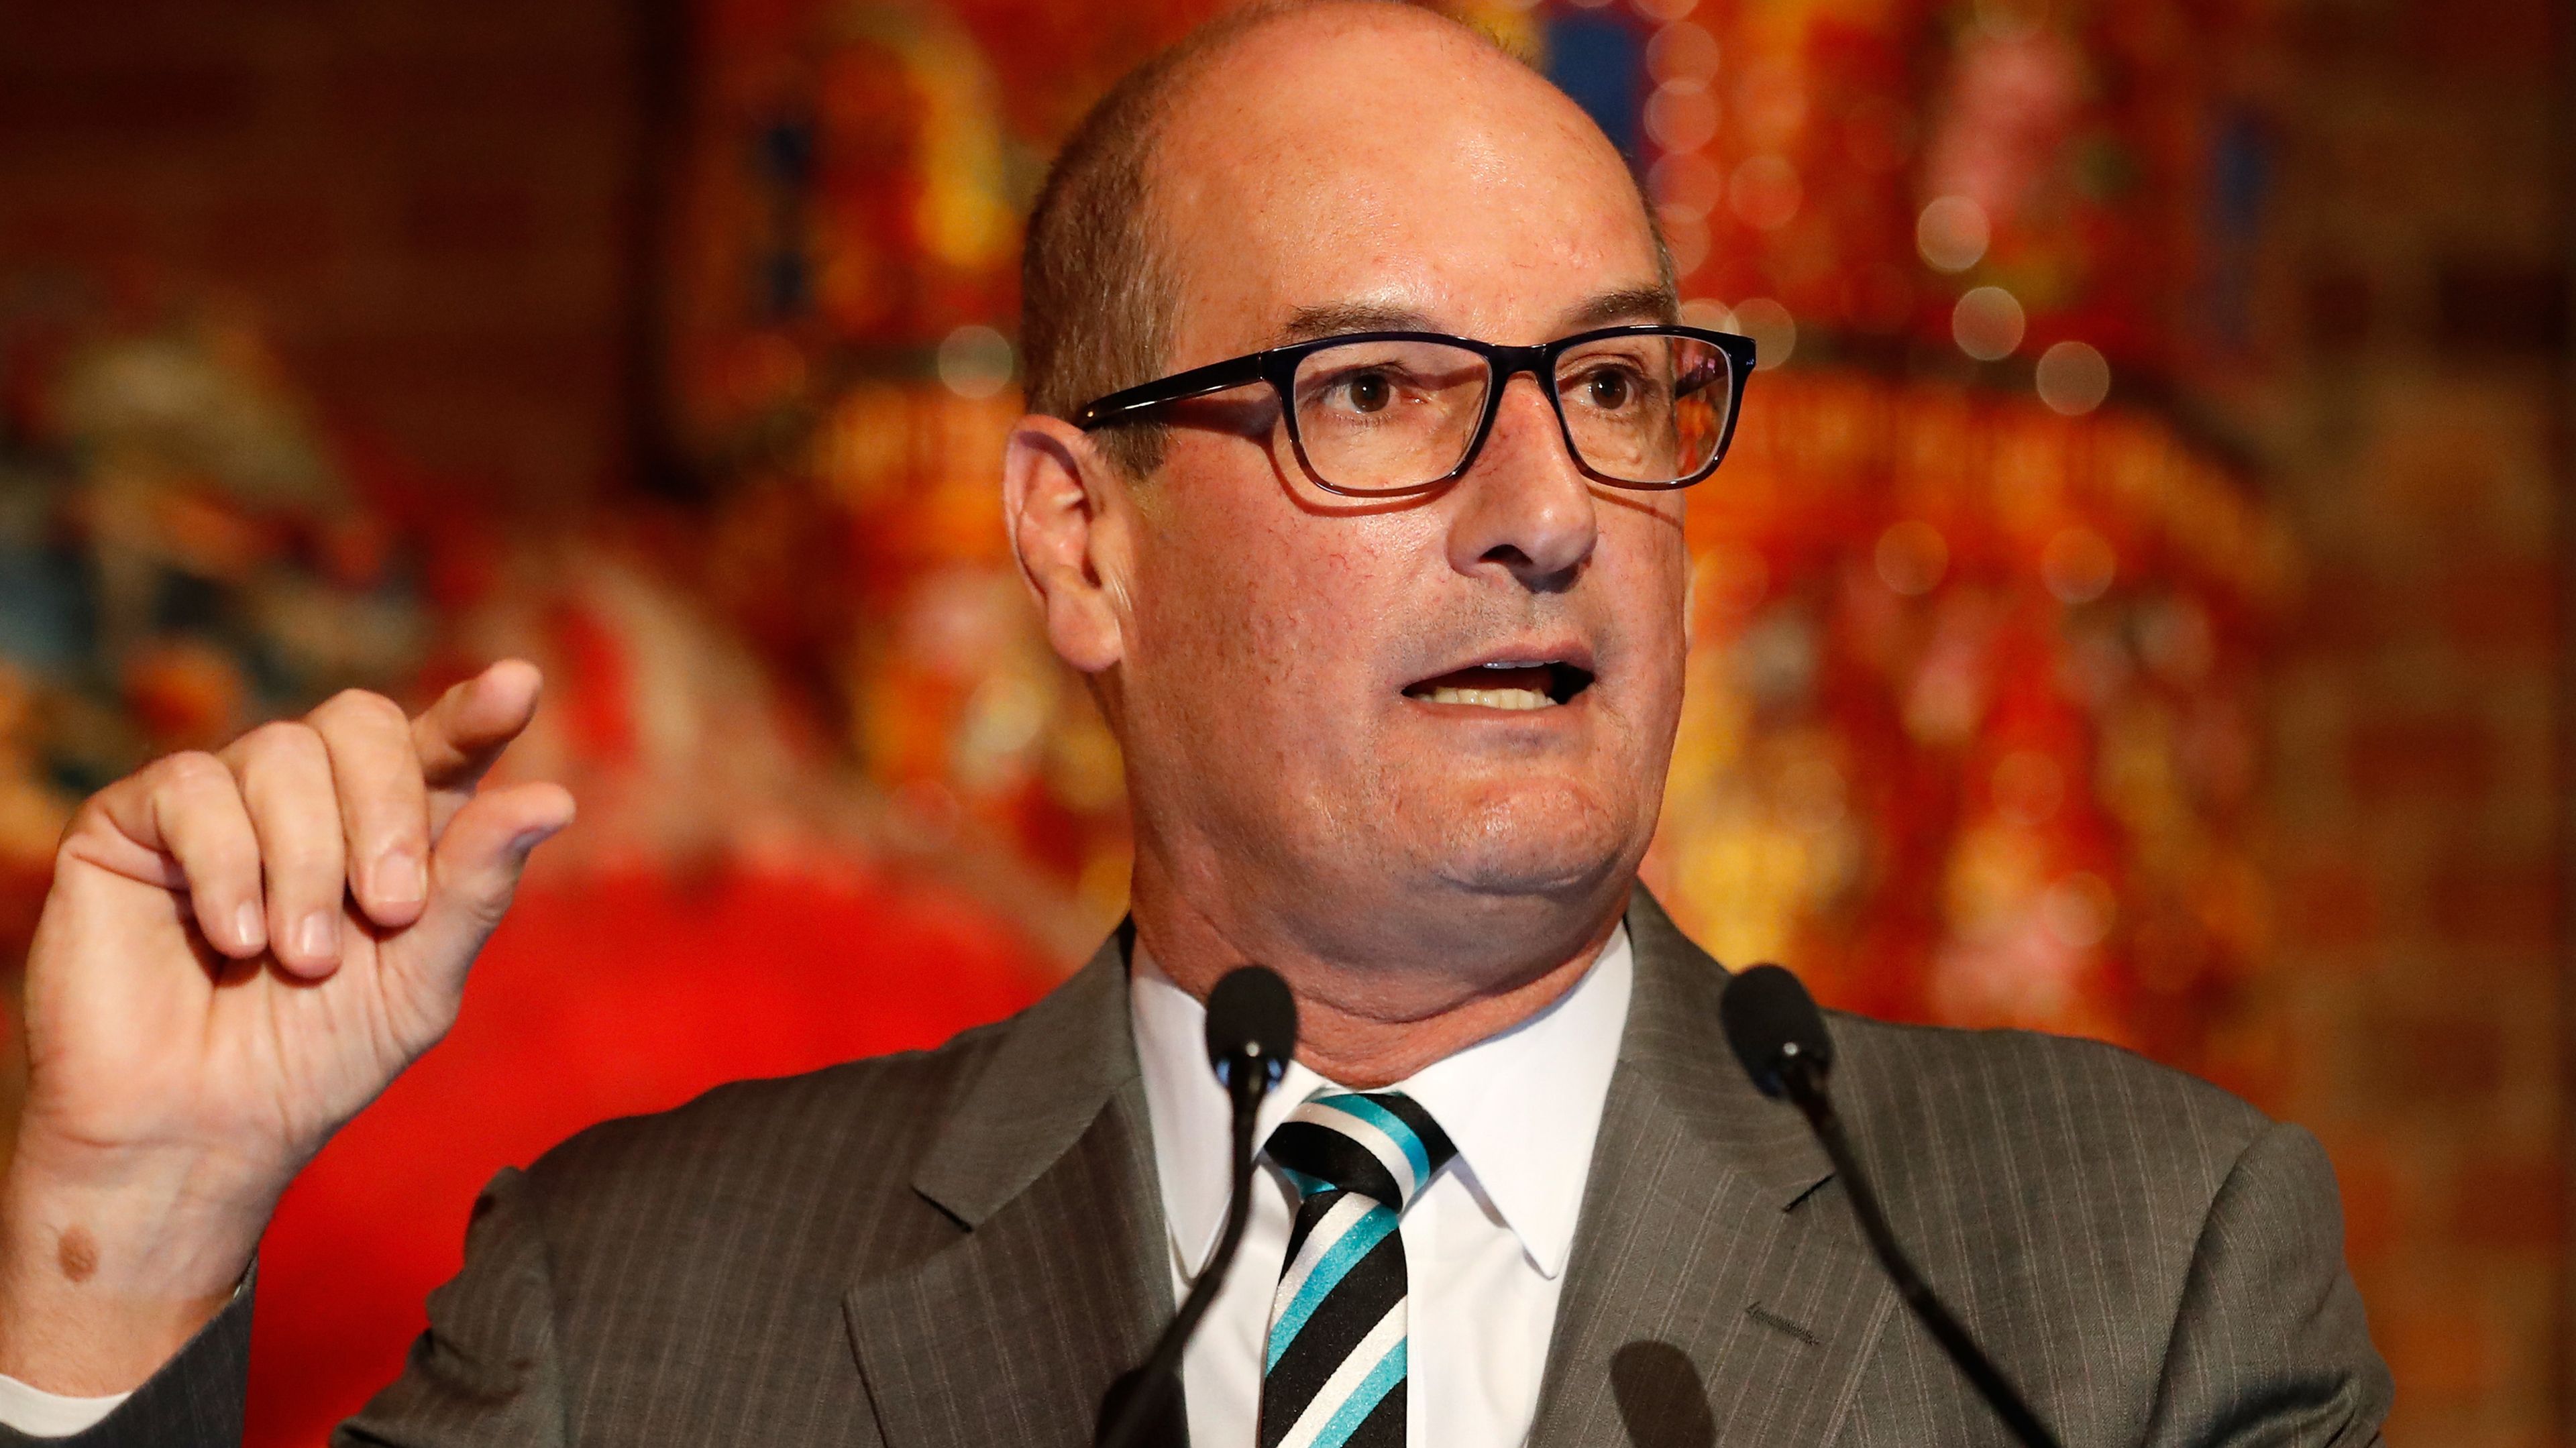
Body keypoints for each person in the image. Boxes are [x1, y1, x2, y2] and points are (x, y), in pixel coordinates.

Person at [0, 3, 2390, 1445]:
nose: (1550, 509)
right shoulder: (643, 1307)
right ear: (1080, 543)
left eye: (1619, 386)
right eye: (1378, 393)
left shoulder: (2119, 1274)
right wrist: (132, 1226)